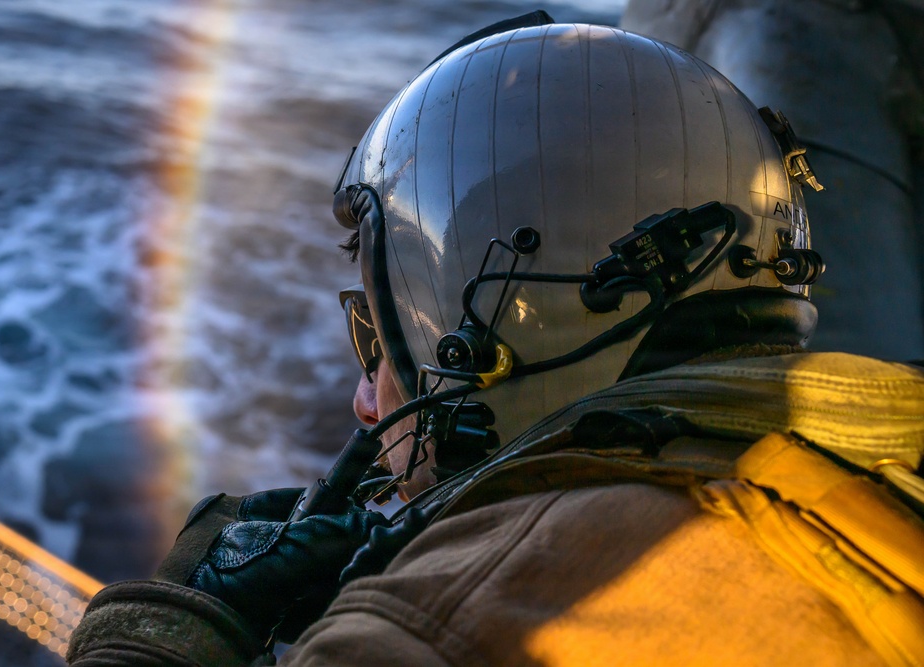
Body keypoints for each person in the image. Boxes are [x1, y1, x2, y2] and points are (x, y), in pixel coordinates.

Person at [67, 13, 924, 667]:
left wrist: (172, 625)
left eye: (378, 332)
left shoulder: (455, 624)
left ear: (492, 331)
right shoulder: (877, 464)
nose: (363, 398)